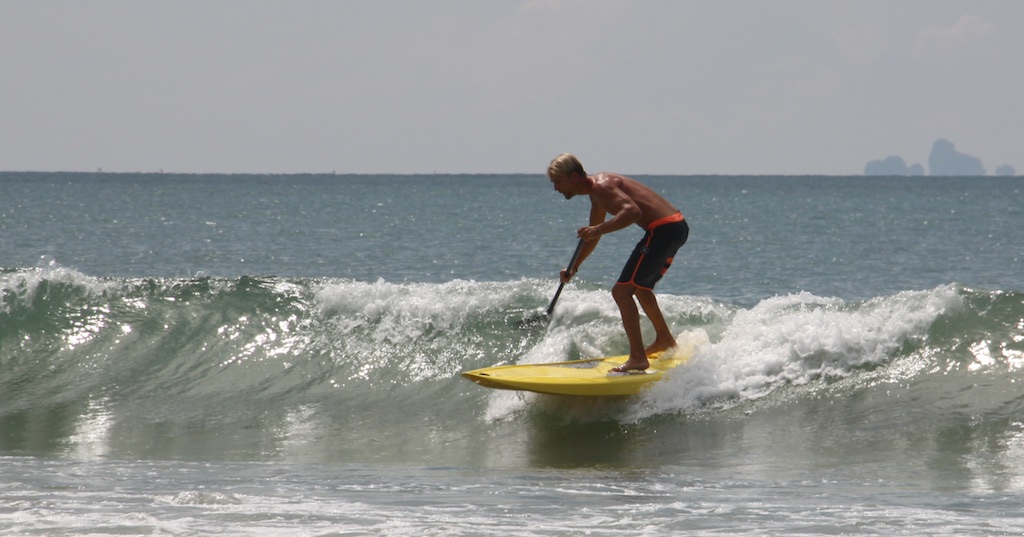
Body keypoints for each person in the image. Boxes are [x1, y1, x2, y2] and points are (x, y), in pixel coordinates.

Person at [547, 153, 689, 373]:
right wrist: (574, 267)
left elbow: (632, 212)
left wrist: (598, 229)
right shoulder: (597, 194)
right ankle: (664, 340)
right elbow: (593, 237)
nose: (556, 188)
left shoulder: (601, 187)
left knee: (621, 292)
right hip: (675, 227)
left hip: (662, 230)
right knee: (640, 289)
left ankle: (638, 358)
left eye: (558, 181)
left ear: (574, 176)